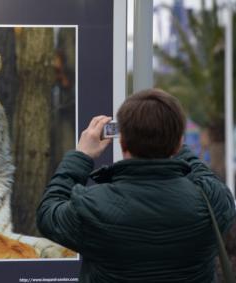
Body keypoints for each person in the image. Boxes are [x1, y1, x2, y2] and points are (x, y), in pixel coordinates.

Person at [36, 88, 236, 282]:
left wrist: (81, 156)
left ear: (122, 143)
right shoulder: (212, 201)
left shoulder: (92, 206)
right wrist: (170, 139)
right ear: (179, 143)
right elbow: (205, 176)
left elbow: (48, 213)